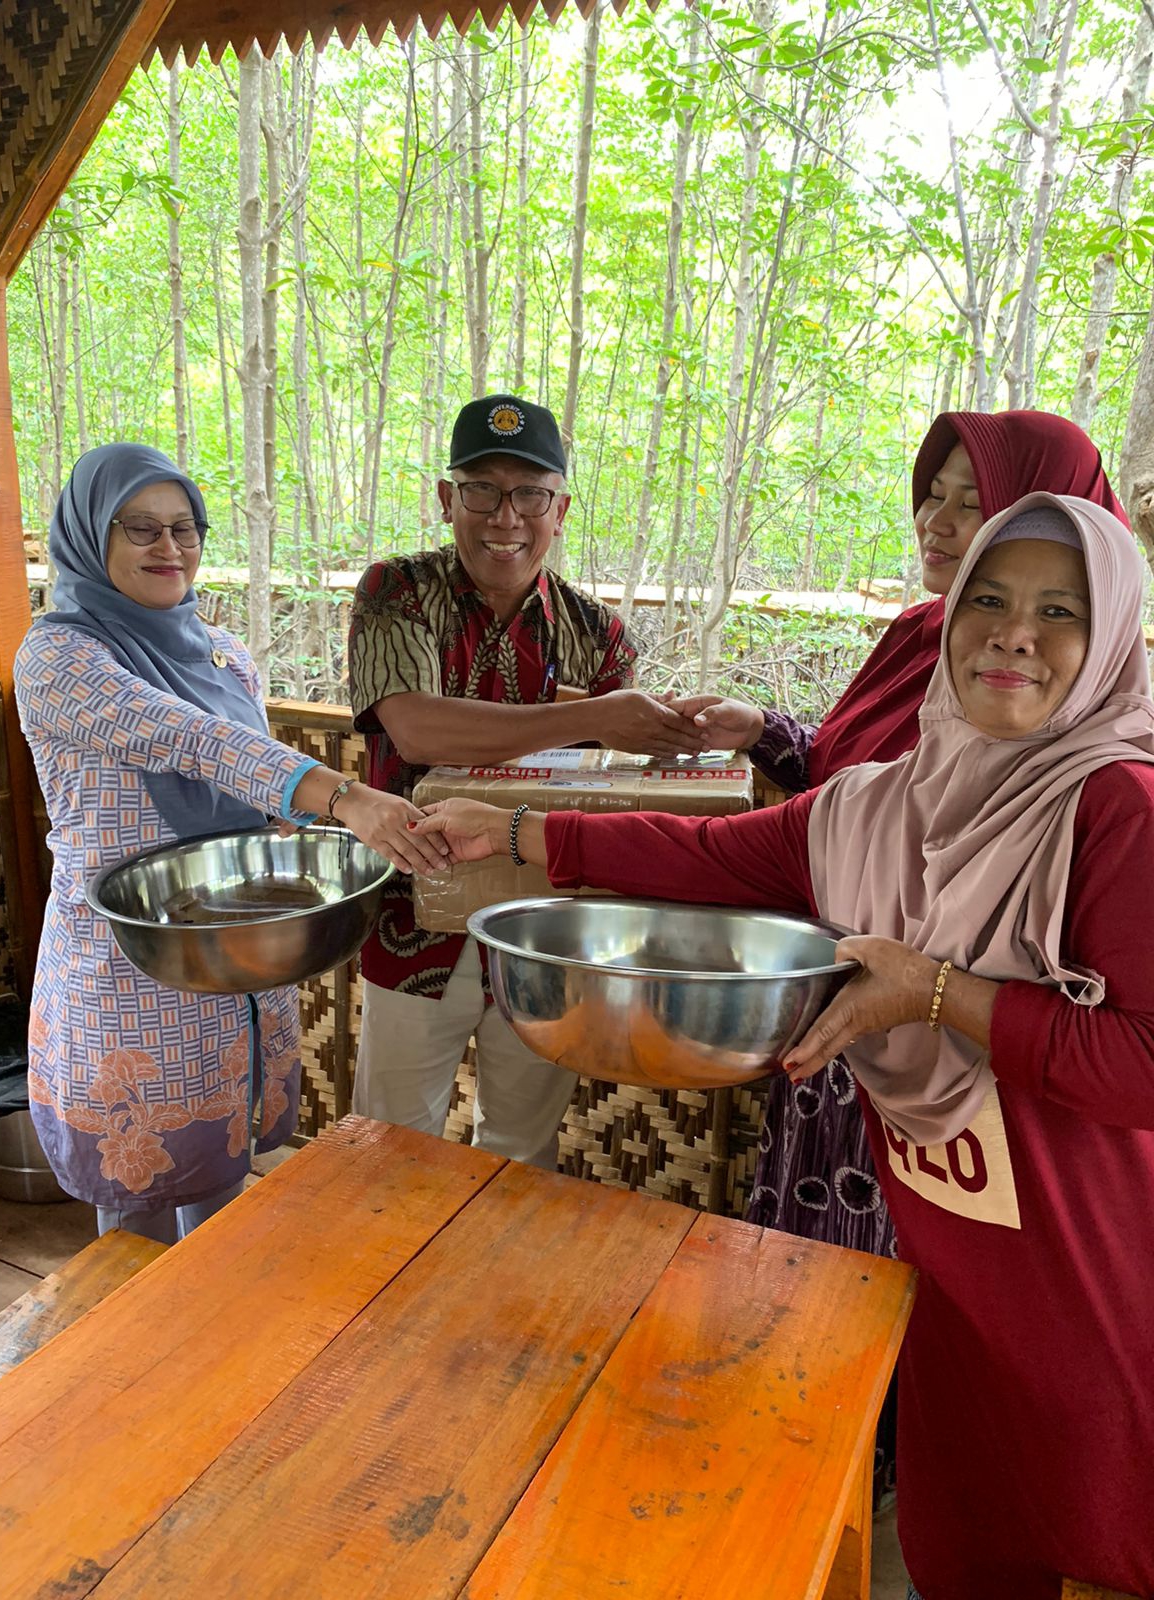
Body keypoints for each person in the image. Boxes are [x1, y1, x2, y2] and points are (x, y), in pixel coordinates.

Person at [418, 493, 1154, 1600]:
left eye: (1062, 611)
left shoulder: (1120, 811)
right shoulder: (874, 806)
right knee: (970, 1544)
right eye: (989, 600)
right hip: (951, 1276)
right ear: (946, 622)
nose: (1014, 630)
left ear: (1115, 645)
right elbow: (708, 853)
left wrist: (938, 994)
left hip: (1089, 1290)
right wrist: (519, 830)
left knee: (1103, 1536)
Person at [674, 412, 1127, 1281]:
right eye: (934, 495)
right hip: (838, 1012)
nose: (939, 521)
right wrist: (762, 731)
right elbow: (859, 784)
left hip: (957, 1080)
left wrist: (935, 992)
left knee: (908, 1308)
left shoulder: (1066, 706)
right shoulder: (924, 634)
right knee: (799, 1295)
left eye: (974, 502)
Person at [15, 444, 447, 1245]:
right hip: (130, 970)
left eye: (185, 528)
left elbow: (244, 786)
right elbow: (195, 742)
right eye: (140, 528)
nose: (169, 548)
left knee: (223, 1182)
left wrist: (293, 826)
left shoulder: (223, 654)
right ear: (88, 535)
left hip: (238, 951)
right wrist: (345, 798)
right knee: (137, 1204)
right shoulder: (59, 656)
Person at [347, 392, 705, 1168]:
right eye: (481, 489)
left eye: (530, 494)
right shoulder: (395, 593)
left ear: (560, 508)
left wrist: (670, 732)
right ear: (448, 500)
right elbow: (413, 728)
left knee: (521, 1152)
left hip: (549, 935)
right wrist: (589, 718)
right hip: (414, 927)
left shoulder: (599, 633)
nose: (504, 516)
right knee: (387, 1148)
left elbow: (616, 788)